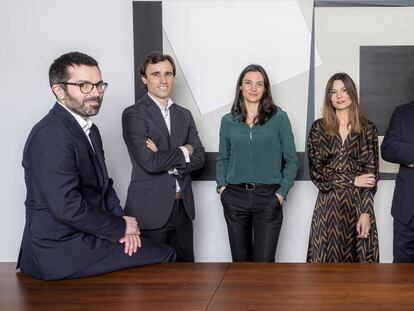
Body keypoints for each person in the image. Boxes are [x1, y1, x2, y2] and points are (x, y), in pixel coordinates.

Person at [17, 52, 176, 280]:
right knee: (166, 254)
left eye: (99, 84)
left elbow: (105, 186)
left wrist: (123, 224)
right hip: (58, 249)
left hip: (86, 235)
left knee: (152, 249)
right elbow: (67, 208)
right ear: (59, 91)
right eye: (84, 85)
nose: (95, 93)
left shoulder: (90, 130)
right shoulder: (50, 135)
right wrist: (120, 228)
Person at [122, 52, 205, 262]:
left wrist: (162, 156)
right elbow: (149, 162)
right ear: (144, 78)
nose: (163, 80)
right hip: (150, 211)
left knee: (187, 279)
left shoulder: (184, 114)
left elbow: (200, 157)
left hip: (183, 210)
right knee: (153, 283)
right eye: (156, 74)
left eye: (168, 74)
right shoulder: (134, 114)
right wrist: (185, 151)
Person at [216, 64, 299, 262]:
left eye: (259, 84)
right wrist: (222, 189)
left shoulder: (279, 118)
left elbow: (292, 160)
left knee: (264, 265)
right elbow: (222, 158)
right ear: (240, 87)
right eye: (248, 83)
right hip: (235, 196)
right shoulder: (228, 121)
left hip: (268, 197)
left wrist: (280, 194)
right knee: (240, 264)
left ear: (265, 89)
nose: (253, 88)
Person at [307, 72, 379, 263]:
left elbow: (371, 178)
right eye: (333, 92)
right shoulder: (318, 129)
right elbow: (317, 174)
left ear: (352, 93)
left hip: (357, 206)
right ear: (328, 97)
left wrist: (366, 213)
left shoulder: (368, 129)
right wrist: (352, 180)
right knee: (323, 269)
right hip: (327, 207)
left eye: (344, 90)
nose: (339, 96)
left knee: (361, 273)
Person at [381, 101, 414, 262]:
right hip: (407, 214)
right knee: (401, 277)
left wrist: (407, 154)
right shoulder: (402, 112)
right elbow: (388, 148)